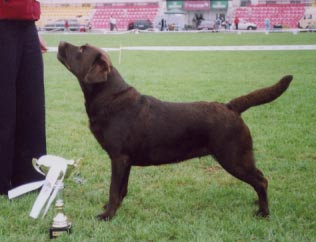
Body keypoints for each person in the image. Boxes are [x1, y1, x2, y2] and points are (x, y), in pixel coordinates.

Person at [0, 0, 47, 196]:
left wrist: (31, 31)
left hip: (26, 23)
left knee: (31, 106)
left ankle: (30, 178)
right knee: (3, 106)